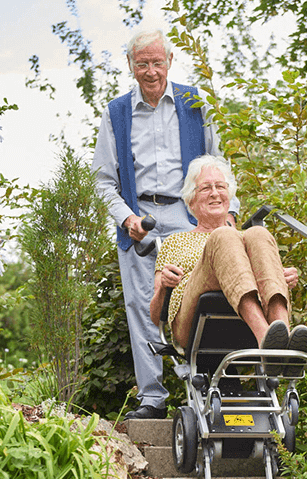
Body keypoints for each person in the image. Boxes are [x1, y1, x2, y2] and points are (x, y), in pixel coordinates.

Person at [92, 28, 240, 420]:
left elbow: (220, 162)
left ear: (170, 61)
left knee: (198, 299)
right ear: (131, 66)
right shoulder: (116, 113)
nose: (151, 71)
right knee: (143, 305)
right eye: (142, 63)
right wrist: (126, 218)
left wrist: (229, 216)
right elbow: (104, 180)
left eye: (158, 62)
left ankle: (204, 391)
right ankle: (152, 399)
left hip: (190, 215)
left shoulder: (196, 103)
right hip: (140, 217)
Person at [150, 155, 307, 376]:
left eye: (220, 186)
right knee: (225, 235)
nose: (215, 193)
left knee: (258, 233)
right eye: (206, 188)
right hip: (192, 322)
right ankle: (266, 339)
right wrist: (163, 287)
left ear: (229, 195)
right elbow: (155, 316)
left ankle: (282, 340)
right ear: (191, 200)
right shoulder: (174, 242)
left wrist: (278, 276)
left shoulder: (247, 240)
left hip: (240, 323)